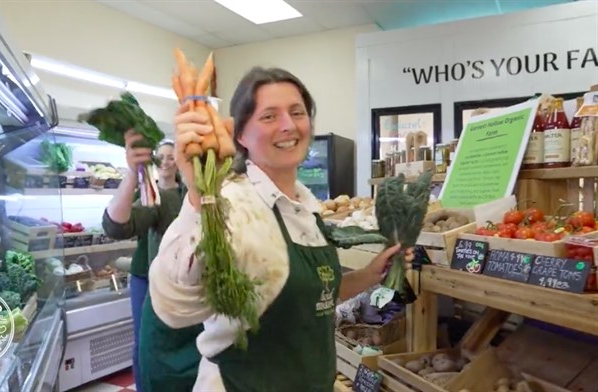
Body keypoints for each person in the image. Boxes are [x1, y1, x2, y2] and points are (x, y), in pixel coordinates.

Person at [147, 66, 414, 392]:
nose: (288, 125)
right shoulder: (229, 203)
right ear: (240, 134)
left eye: (297, 112)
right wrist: (196, 195)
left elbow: (314, 297)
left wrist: (371, 274)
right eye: (269, 116)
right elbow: (175, 304)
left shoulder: (306, 207)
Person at [101, 136, 203, 392]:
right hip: (147, 276)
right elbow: (117, 225)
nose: (168, 162)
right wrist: (132, 174)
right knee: (147, 343)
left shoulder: (196, 195)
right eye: (164, 157)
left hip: (194, 288)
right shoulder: (159, 198)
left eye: (173, 157)